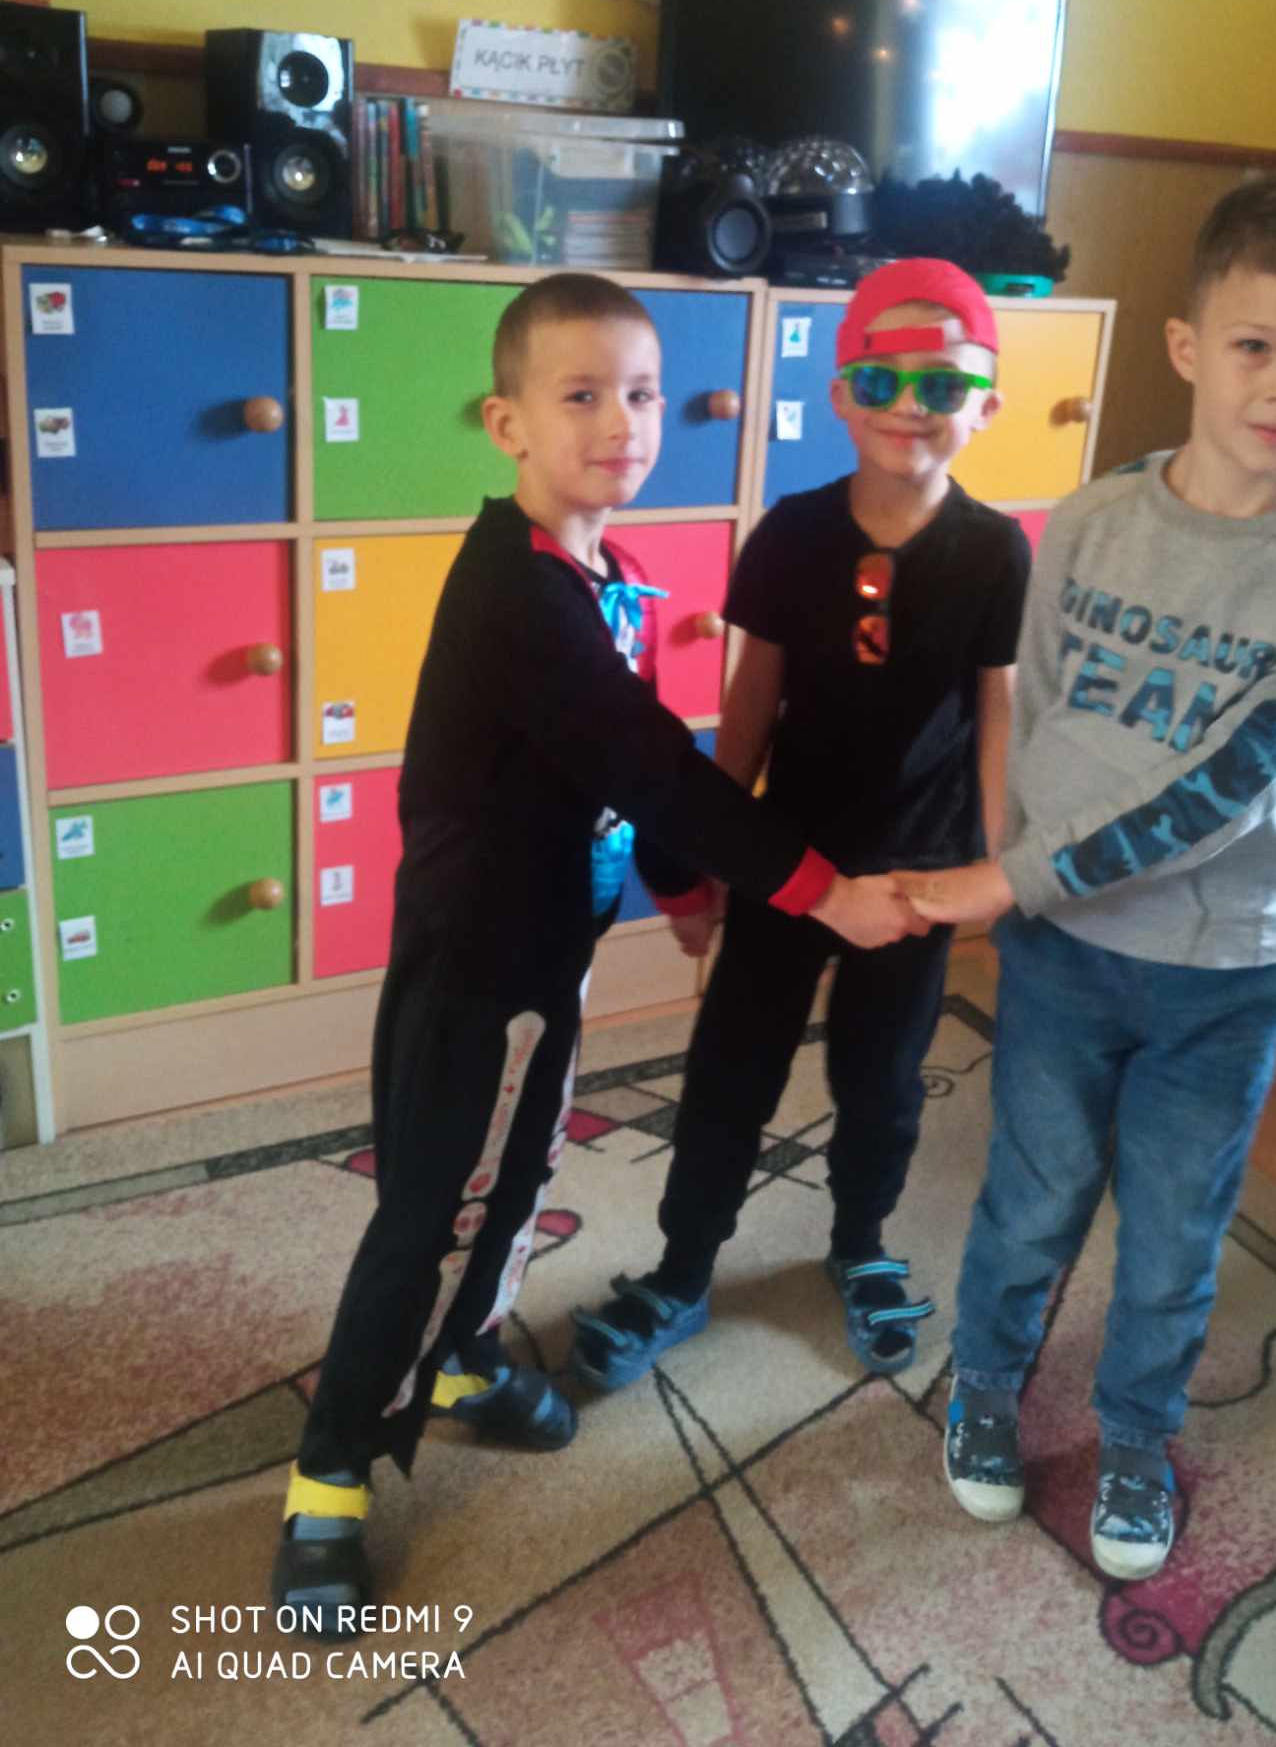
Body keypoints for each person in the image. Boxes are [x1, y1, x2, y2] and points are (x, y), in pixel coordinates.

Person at [273, 273, 920, 1634]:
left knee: (522, 1171)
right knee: (432, 1207)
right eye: (581, 396)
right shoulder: (516, 595)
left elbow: (631, 771)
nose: (621, 422)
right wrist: (820, 893)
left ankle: (462, 1354)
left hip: (547, 952)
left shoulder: (605, 577)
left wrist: (681, 887)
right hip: (474, 963)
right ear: (507, 423)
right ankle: (328, 1475)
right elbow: (654, 765)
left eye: (640, 394)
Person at [901, 171, 1276, 1581]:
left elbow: (1228, 788)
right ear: (1189, 346)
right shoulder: (1091, 517)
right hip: (1063, 952)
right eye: (1256, 345)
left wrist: (1007, 880)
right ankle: (987, 1385)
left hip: (1221, 973)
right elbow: (1037, 713)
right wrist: (1021, 879)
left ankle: (1136, 1433)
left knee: (1176, 1231)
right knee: (1031, 1194)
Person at [569, 259, 1030, 1391]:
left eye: (941, 383)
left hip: (920, 878)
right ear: (839, 397)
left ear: (985, 405)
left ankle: (860, 1242)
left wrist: (1003, 866)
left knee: (883, 1079)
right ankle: (683, 1266)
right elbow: (750, 705)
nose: (909, 406)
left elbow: (999, 711)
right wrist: (703, 857)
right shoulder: (789, 536)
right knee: (732, 1067)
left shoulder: (997, 550)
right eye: (880, 380)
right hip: (789, 861)